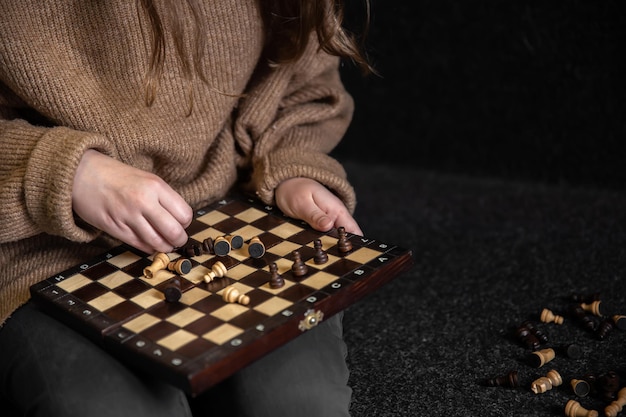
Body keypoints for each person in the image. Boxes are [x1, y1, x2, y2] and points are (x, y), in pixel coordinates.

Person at [0, 1, 374, 416]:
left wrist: (291, 167)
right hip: (40, 257)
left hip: (238, 231)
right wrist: (65, 175)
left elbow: (303, 83)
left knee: (300, 405)